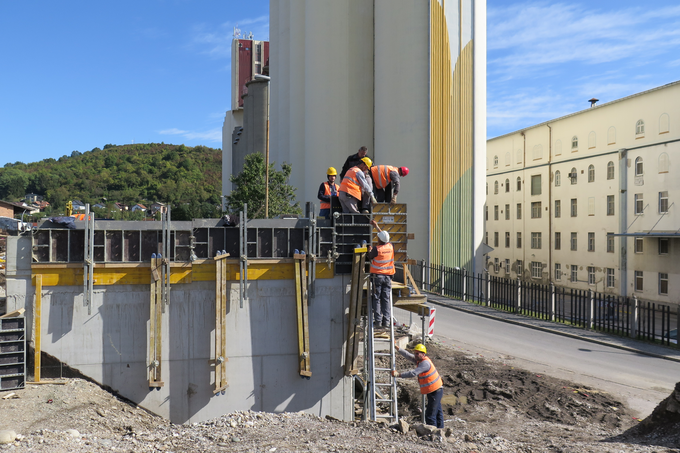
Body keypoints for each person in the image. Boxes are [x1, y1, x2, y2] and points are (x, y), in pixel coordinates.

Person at [391, 343, 444, 429]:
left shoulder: (425, 363)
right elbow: (408, 356)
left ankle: (433, 433)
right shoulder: (420, 360)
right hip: (434, 390)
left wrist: (398, 374)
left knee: (430, 415)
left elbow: (413, 373)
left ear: (423, 354)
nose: (415, 355)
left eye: (417, 353)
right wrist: (397, 348)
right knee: (437, 412)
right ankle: (440, 431)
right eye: (415, 353)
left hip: (435, 390)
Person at [368, 219, 394, 329]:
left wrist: (369, 250)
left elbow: (369, 256)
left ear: (379, 239)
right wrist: (376, 226)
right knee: (386, 298)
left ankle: (378, 321)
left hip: (377, 277)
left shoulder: (376, 249)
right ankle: (386, 321)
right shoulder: (390, 246)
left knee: (377, 298)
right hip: (388, 277)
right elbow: (384, 237)